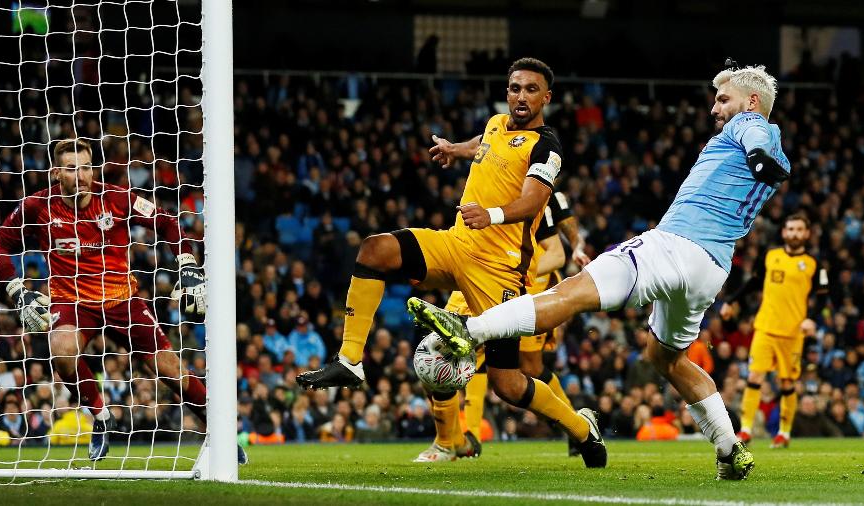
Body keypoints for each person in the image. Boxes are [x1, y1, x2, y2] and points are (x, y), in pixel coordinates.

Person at [409, 63, 791, 480]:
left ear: (751, 102)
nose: (715, 108)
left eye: (723, 99)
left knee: (571, 292)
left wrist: (757, 154)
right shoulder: (773, 147)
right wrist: (765, 162)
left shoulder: (749, 125)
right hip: (712, 268)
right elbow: (770, 160)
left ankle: (469, 331)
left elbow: (756, 137)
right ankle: (728, 447)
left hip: (674, 245)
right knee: (666, 357)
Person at [297, 58, 606, 467]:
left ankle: (582, 430)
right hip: (457, 245)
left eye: (531, 89)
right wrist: (453, 150)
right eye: (515, 88)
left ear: (546, 97)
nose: (521, 96)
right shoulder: (497, 123)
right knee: (375, 249)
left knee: (508, 384)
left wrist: (492, 215)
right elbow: (484, 144)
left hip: (500, 269)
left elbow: (534, 199)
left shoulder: (547, 146)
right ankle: (350, 360)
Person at [0, 139, 246, 464]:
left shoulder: (116, 197)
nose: (80, 175)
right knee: (61, 351)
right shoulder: (37, 206)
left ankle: (220, 432)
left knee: (169, 368)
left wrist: (187, 263)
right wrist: (16, 289)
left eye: (85, 166)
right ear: (56, 172)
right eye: (71, 168)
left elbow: (165, 221)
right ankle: (100, 415)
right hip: (72, 301)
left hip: (122, 298)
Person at [414, 190, 591, 463]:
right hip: (476, 274)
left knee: (526, 368)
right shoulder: (486, 181)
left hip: (520, 281)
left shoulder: (537, 192)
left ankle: (576, 427)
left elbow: (557, 246)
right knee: (438, 350)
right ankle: (456, 440)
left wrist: (576, 245)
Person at [720, 213, 827, 448]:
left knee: (787, 383)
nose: (794, 233)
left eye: (799, 229)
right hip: (765, 328)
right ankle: (746, 430)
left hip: (793, 333)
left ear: (807, 234)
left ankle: (784, 433)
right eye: (790, 229)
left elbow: (822, 297)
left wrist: (811, 319)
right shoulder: (770, 256)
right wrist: (731, 300)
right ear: (784, 232)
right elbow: (754, 283)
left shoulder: (814, 263)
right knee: (754, 376)